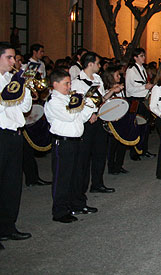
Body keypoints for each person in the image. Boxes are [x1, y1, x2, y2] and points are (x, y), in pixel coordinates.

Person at [45, 68, 97, 223]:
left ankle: (77, 204)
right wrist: (80, 102)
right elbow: (69, 116)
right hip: (63, 143)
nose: (69, 86)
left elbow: (80, 117)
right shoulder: (54, 101)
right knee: (63, 177)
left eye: (69, 83)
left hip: (76, 142)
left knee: (77, 176)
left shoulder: (68, 99)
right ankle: (60, 211)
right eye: (66, 83)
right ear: (55, 84)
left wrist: (89, 105)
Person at [71, 52, 122, 194]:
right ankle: (80, 190)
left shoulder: (98, 78)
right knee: (84, 157)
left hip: (99, 119)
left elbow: (101, 99)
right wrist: (89, 114)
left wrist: (112, 91)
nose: (100, 66)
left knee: (100, 153)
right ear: (90, 64)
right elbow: (77, 103)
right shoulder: (77, 82)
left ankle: (97, 183)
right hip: (87, 122)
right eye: (98, 63)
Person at [0, 43, 33, 246]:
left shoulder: (10, 79)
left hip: (14, 134)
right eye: (10, 58)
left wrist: (24, 86)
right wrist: (15, 85)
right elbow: (4, 102)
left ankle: (8, 226)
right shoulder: (7, 82)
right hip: (1, 134)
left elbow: (25, 107)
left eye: (15, 58)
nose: (14, 62)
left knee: (12, 184)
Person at [103, 66, 134, 175]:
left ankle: (119, 165)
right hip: (113, 120)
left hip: (122, 118)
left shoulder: (120, 88)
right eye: (117, 75)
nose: (119, 76)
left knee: (122, 143)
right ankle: (111, 166)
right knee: (113, 145)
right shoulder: (107, 90)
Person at [125, 48, 154, 160]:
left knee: (145, 128)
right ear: (135, 57)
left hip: (143, 100)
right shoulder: (131, 70)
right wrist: (144, 87)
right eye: (141, 56)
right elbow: (130, 89)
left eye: (144, 55)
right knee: (136, 127)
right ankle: (134, 152)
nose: (144, 58)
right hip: (136, 101)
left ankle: (143, 149)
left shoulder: (142, 69)